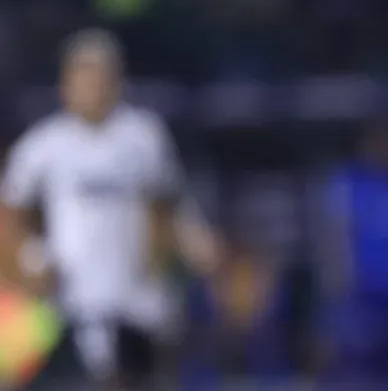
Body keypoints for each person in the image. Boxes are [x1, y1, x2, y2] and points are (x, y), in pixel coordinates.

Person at [0, 29, 223, 391]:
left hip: (135, 294)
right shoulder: (44, 144)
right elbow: (10, 209)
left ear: (117, 81)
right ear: (65, 84)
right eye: (82, 78)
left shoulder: (143, 136)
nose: (92, 88)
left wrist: (195, 240)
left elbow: (170, 199)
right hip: (71, 295)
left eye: (100, 77)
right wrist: (31, 256)